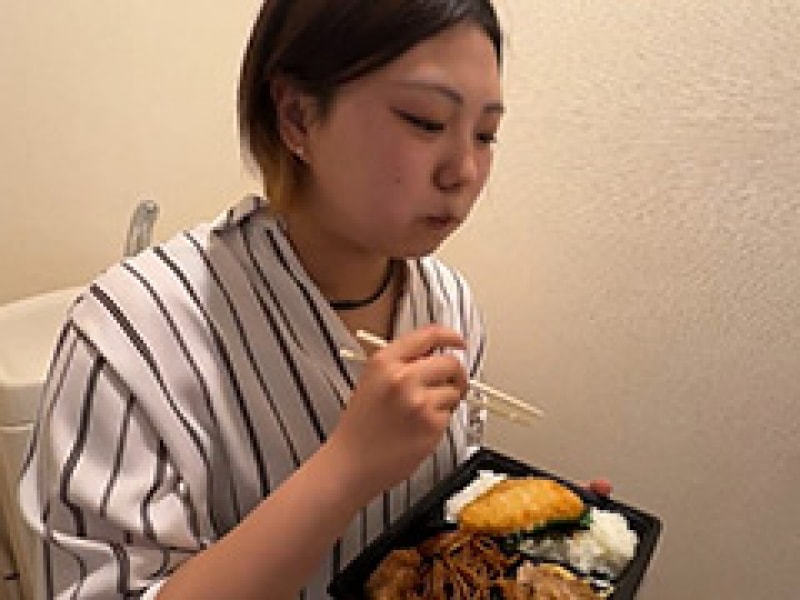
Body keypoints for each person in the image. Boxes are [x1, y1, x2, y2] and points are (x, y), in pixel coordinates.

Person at [21, 1, 608, 598]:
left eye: (485, 135)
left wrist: (549, 545)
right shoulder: (129, 335)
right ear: (298, 117)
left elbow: (438, 526)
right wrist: (347, 469)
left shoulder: (449, 304)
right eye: (426, 121)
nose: (464, 170)